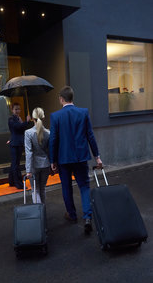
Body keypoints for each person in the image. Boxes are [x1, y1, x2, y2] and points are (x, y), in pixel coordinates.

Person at [49, 86, 102, 234]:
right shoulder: (83, 112)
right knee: (84, 187)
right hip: (80, 157)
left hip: (63, 159)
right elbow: (90, 136)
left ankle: (72, 215)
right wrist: (97, 157)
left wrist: (52, 161)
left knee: (66, 188)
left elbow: (53, 140)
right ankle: (87, 217)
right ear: (72, 97)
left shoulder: (55, 116)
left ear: (61, 99)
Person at [25, 108, 50, 204]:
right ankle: (43, 211)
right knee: (42, 188)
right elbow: (50, 150)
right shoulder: (48, 133)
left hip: (34, 166)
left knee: (35, 190)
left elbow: (29, 152)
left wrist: (28, 170)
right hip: (46, 164)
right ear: (43, 117)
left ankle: (39, 214)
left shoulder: (28, 133)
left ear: (32, 118)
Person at [8, 103, 31, 189]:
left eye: (19, 109)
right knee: (15, 164)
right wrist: (26, 121)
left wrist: (24, 122)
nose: (18, 111)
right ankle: (18, 184)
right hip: (14, 144)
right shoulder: (11, 119)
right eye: (16, 109)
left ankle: (11, 181)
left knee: (15, 163)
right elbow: (17, 127)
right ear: (12, 110)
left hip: (19, 143)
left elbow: (21, 129)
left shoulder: (19, 119)